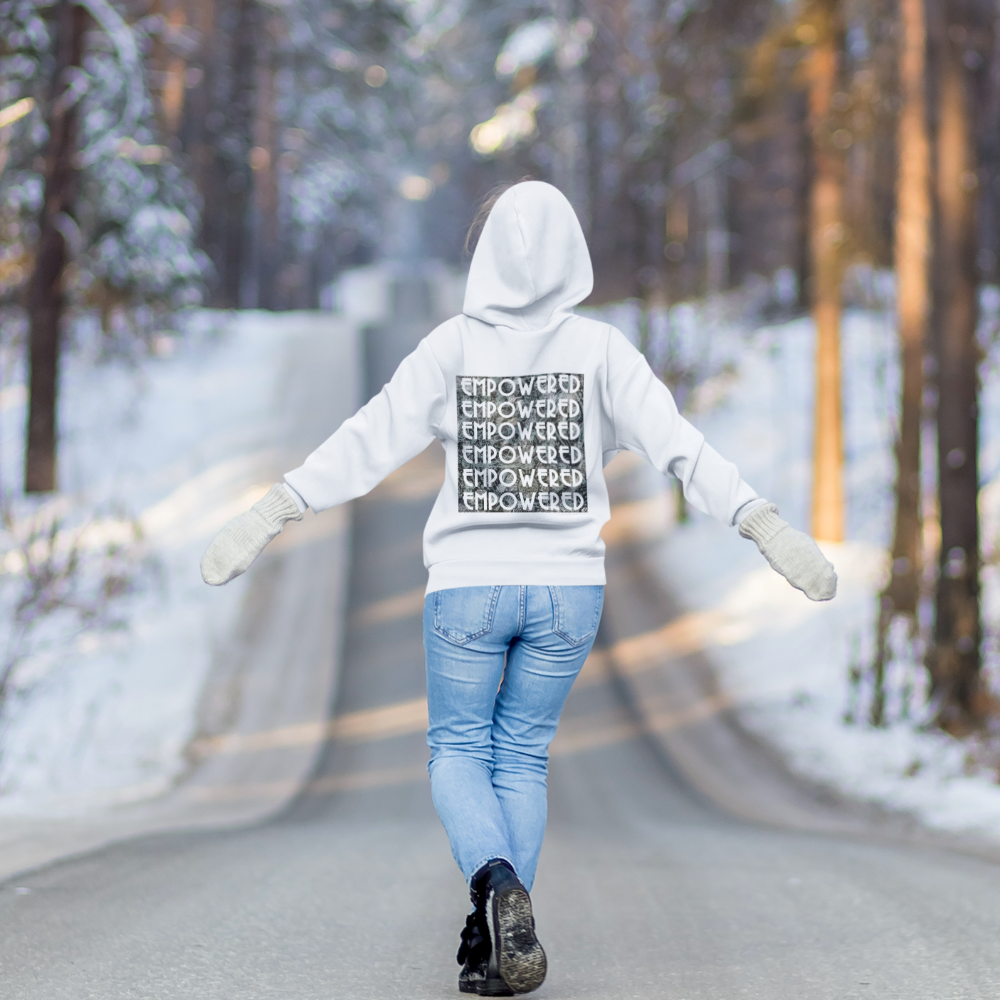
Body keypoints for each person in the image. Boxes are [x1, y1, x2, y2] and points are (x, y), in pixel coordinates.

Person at [200, 180, 837, 996]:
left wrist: (276, 508)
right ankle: (497, 939)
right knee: (523, 757)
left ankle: (495, 885)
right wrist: (759, 520)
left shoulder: (451, 349)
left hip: (469, 588)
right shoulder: (604, 352)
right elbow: (683, 449)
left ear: (484, 254)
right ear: (574, 255)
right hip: (569, 593)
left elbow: (367, 441)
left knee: (459, 750)